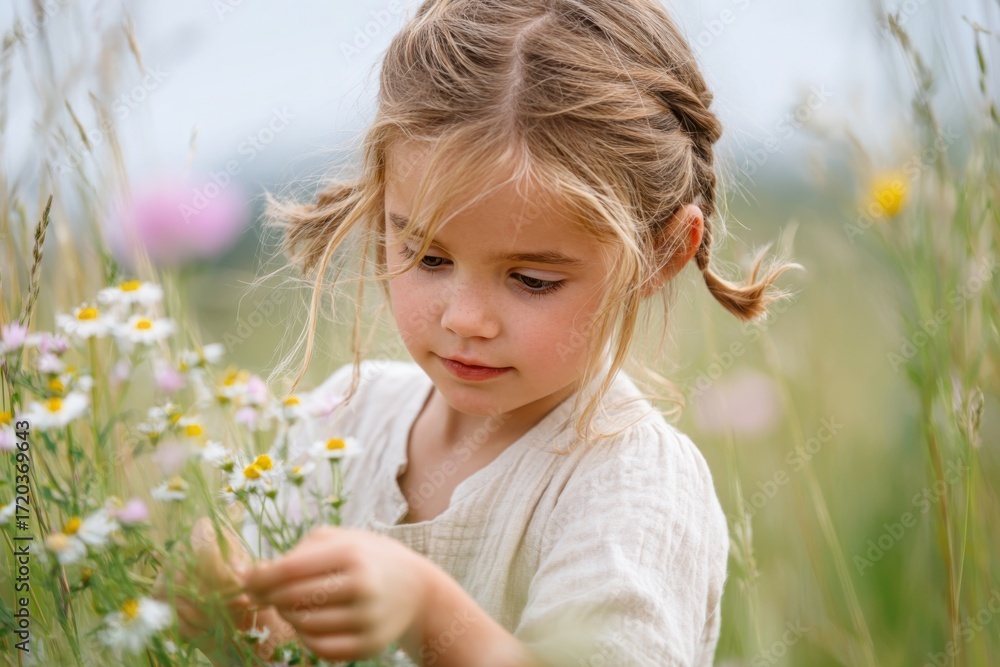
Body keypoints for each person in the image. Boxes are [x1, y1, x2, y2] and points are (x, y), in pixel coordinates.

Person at [156, 0, 799, 665]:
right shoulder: (343, 421)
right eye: (430, 258)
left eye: (531, 279)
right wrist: (230, 619)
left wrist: (431, 615)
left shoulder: (632, 482)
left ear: (661, 256)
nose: (466, 318)